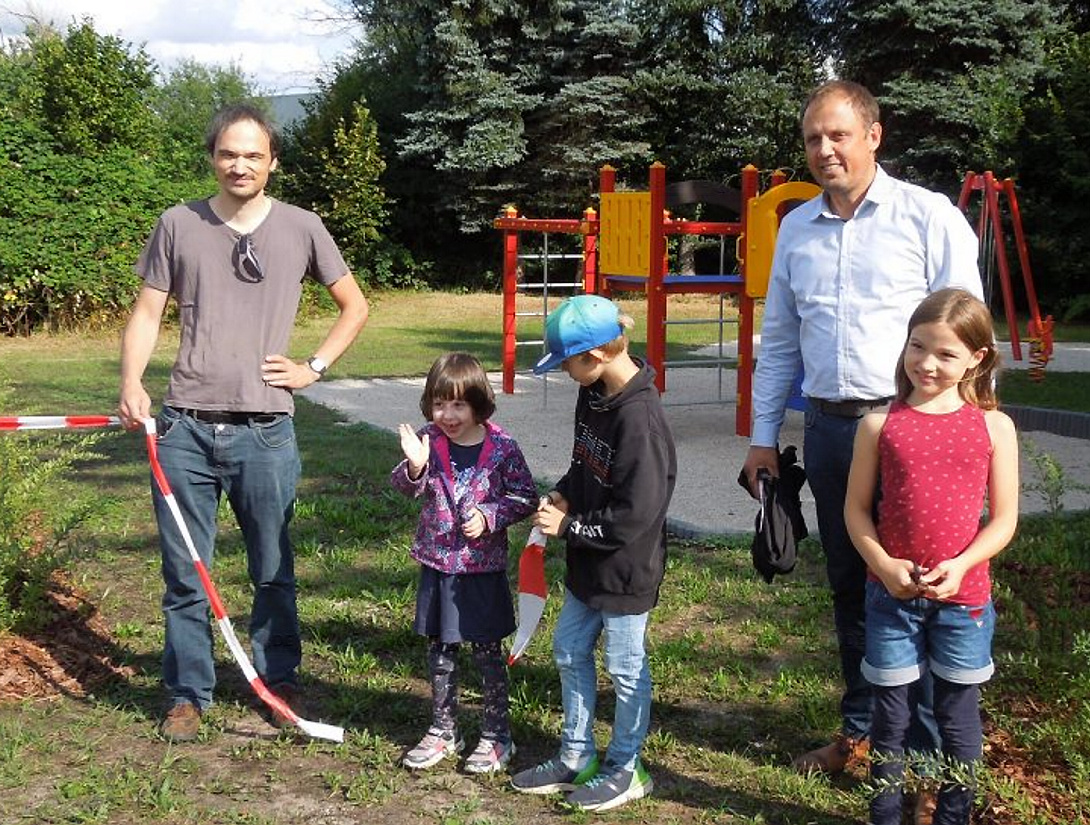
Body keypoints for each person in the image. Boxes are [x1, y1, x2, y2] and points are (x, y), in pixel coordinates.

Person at [740, 79, 984, 793]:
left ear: (874, 136)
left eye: (838, 135)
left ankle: (930, 757)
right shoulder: (795, 229)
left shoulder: (927, 218)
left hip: (915, 431)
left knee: (929, 586)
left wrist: (963, 433)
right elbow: (779, 339)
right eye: (814, 137)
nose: (824, 149)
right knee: (854, 586)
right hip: (830, 429)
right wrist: (762, 436)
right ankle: (864, 733)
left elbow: (970, 331)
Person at [117, 103, 369, 743]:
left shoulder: (302, 227)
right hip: (184, 431)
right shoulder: (178, 223)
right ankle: (186, 694)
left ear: (272, 162)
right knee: (185, 572)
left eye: (253, 155)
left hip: (265, 431)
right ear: (213, 157)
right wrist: (129, 383)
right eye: (230, 153)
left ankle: (276, 681)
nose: (240, 164)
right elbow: (147, 314)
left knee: (273, 568)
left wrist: (313, 366)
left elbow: (355, 306)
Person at [845, 288, 1018, 825]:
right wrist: (884, 565)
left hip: (964, 603)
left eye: (946, 354)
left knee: (959, 719)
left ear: (977, 358)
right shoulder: (879, 425)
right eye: (918, 347)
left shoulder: (994, 427)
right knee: (890, 719)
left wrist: (963, 565)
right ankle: (886, 816)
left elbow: (1004, 520)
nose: (927, 363)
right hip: (891, 599)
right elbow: (856, 511)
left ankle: (953, 815)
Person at [510, 295, 676, 812]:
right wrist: (565, 492)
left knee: (625, 670)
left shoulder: (640, 423)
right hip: (588, 563)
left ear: (597, 355)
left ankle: (627, 768)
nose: (564, 370)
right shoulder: (595, 394)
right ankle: (576, 755)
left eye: (566, 362)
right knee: (568, 650)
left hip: (626, 570)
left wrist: (569, 526)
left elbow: (635, 516)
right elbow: (585, 464)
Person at [390, 352, 537, 774]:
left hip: (482, 570)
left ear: (478, 403)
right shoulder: (427, 440)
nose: (447, 414)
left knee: (488, 655)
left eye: (458, 405)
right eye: (439, 404)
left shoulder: (503, 447)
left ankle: (496, 735)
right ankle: (443, 729)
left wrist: (490, 517)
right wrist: (416, 466)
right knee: (440, 651)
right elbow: (404, 486)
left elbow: (525, 496)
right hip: (438, 564)